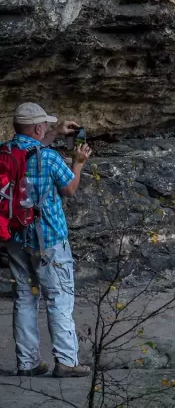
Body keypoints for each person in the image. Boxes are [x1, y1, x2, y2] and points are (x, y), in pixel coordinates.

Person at [5, 102, 93, 377]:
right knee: (58, 298)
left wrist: (54, 132)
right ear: (38, 127)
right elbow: (69, 189)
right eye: (44, 125)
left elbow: (30, 152)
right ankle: (66, 361)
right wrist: (78, 163)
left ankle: (28, 363)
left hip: (15, 237)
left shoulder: (5, 152)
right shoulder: (51, 158)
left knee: (25, 296)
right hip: (49, 240)